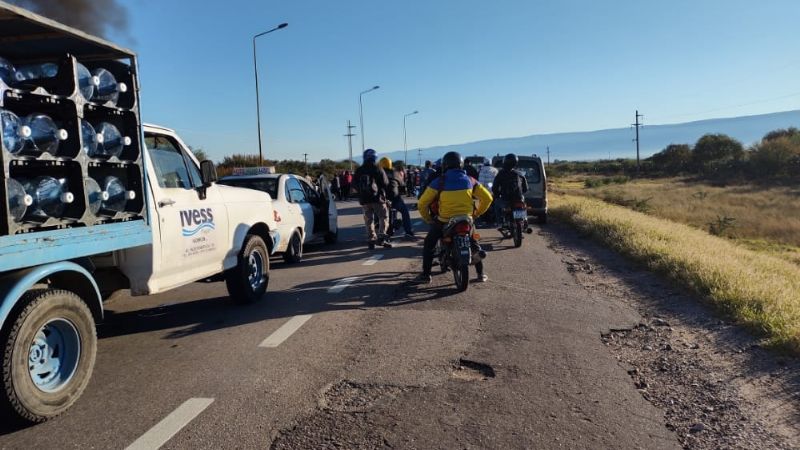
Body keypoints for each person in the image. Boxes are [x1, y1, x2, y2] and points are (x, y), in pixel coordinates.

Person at [415, 151, 493, 284]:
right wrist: (477, 213)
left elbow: (422, 203)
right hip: (466, 219)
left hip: (444, 220)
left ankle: (426, 275)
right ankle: (480, 274)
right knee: (473, 243)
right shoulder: (470, 180)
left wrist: (428, 218)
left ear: (445, 165)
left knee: (429, 244)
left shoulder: (439, 182)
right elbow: (488, 198)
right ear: (461, 164)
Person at [354, 149, 392, 249]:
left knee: (368, 220)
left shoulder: (359, 170)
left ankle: (371, 239)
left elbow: (354, 184)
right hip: (377, 199)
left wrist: (361, 192)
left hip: (364, 200)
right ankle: (381, 236)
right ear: (375, 157)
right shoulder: (378, 168)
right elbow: (385, 183)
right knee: (383, 217)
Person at [380, 157, 415, 238]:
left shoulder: (379, 173)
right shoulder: (395, 173)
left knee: (378, 213)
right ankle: (408, 231)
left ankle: (379, 230)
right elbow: (403, 185)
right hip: (395, 198)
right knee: (405, 212)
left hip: (383, 199)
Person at [492, 153, 528, 228]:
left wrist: (497, 195)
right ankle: (525, 220)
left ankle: (500, 223)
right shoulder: (520, 174)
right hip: (518, 198)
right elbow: (525, 188)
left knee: (496, 205)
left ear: (504, 162)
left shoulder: (501, 174)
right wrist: (521, 193)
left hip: (506, 199)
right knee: (523, 205)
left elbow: (495, 188)